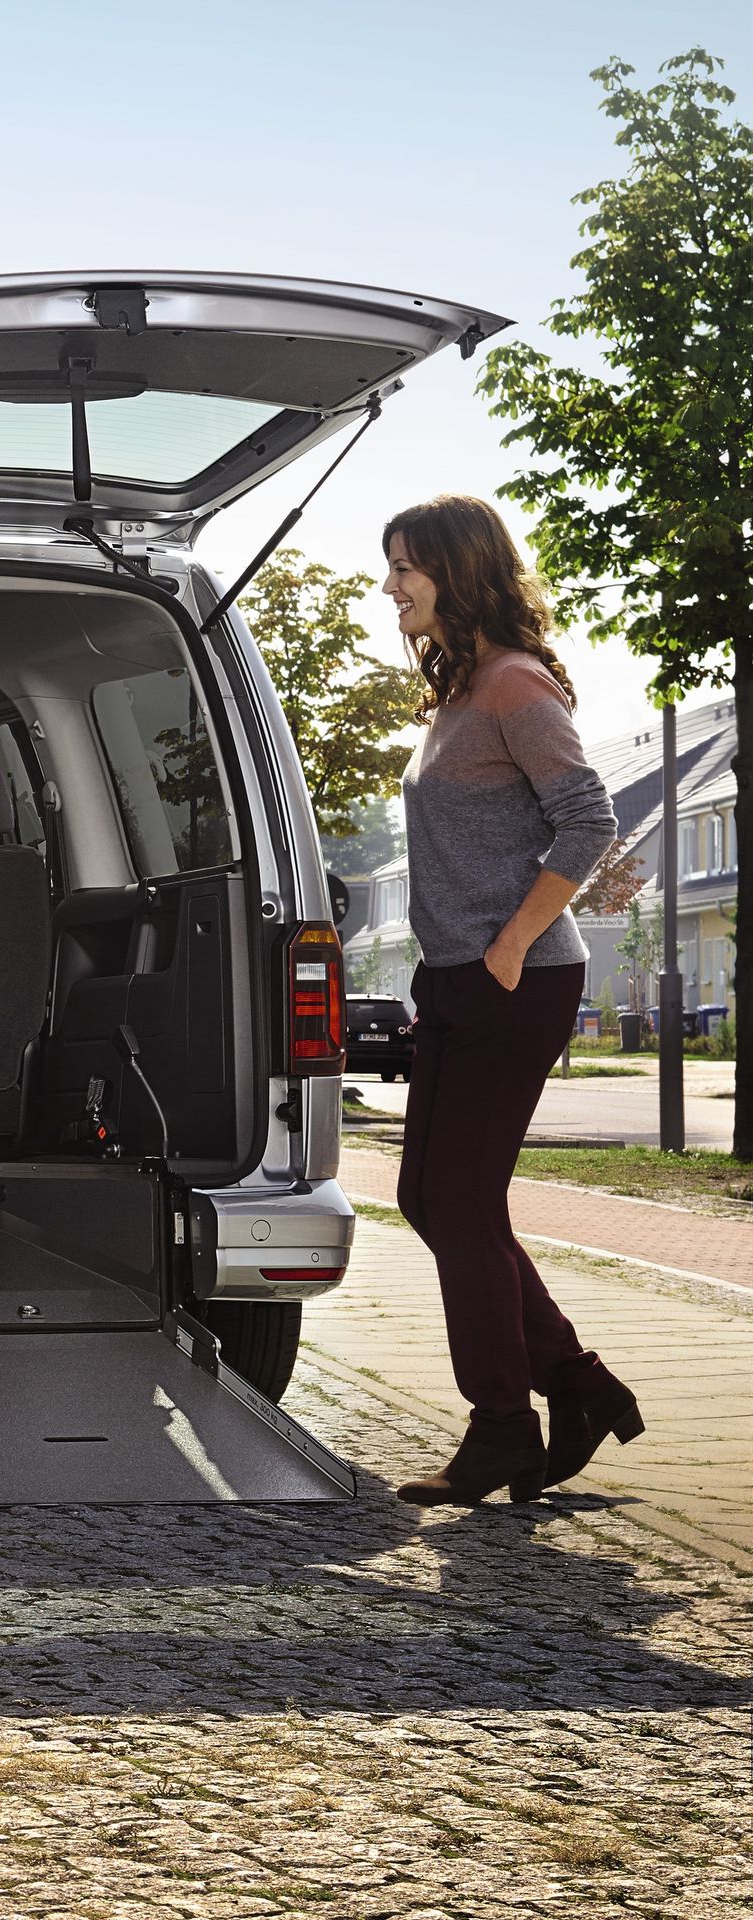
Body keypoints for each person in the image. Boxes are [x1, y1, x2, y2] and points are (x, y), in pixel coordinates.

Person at [379, 495, 642, 1506]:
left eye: (408, 566)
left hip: (515, 976)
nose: (394, 586)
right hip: (457, 975)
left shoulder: (516, 686)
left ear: (461, 567)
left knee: (461, 1203)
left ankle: (503, 1432)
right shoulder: (460, 691)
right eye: (392, 567)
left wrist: (513, 941)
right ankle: (575, 1382)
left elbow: (589, 818)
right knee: (427, 1198)